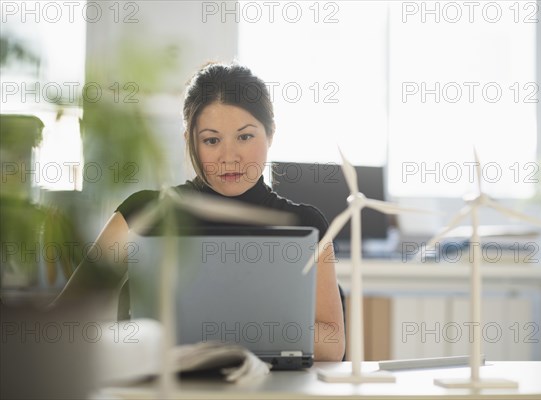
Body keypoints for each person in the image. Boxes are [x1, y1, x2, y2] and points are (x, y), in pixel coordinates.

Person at [55, 62, 346, 361]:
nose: (229, 157)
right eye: (211, 140)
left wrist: (226, 321)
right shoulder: (143, 213)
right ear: (189, 141)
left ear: (270, 134)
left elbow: (333, 345)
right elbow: (64, 325)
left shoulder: (305, 224)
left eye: (245, 137)